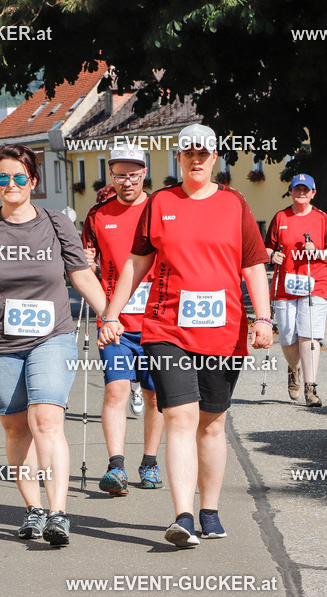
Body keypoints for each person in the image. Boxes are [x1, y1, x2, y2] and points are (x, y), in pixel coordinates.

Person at [99, 124, 273, 548]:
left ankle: (209, 510)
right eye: (188, 153)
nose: (196, 160)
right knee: (180, 416)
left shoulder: (235, 203)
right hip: (167, 328)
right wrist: (111, 314)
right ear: (178, 158)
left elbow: (253, 265)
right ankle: (183, 516)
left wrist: (264, 318)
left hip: (223, 332)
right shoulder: (161, 203)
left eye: (203, 153)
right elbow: (136, 263)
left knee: (212, 424)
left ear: (214, 158)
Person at [0, 144, 107, 546]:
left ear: (33, 181)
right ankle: (33, 509)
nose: (11, 184)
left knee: (47, 421)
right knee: (16, 427)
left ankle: (58, 513)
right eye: (3, 177)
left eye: (20, 177)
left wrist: (109, 314)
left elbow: (81, 275)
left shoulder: (56, 224)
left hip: (51, 336)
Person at [81, 144, 165, 496]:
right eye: (119, 175)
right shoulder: (98, 215)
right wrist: (88, 263)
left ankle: (150, 462)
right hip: (114, 322)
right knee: (116, 388)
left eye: (133, 175)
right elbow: (86, 265)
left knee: (154, 395)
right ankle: (116, 466)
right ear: (111, 176)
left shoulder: (160, 208)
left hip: (157, 321)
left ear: (144, 173)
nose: (126, 181)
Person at [264, 174, 327, 408]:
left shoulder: (322, 218)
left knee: (309, 334)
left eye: (306, 190)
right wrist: (272, 256)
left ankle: (311, 387)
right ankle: (293, 368)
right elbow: (266, 248)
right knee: (288, 336)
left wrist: (317, 252)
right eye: (297, 189)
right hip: (286, 285)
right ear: (291, 192)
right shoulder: (281, 217)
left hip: (316, 283)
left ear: (313, 193)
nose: (301, 193)